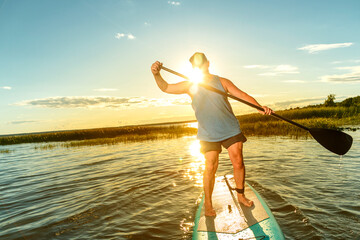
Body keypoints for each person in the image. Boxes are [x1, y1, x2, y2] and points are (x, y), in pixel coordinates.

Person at [151, 52, 273, 217]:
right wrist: (157, 74)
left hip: (229, 128)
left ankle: (241, 195)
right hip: (208, 132)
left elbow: (242, 95)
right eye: (196, 65)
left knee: (238, 160)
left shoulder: (222, 81)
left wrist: (259, 107)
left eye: (201, 63)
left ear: (208, 63)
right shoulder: (190, 85)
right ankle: (208, 204)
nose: (199, 66)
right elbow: (166, 87)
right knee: (211, 165)